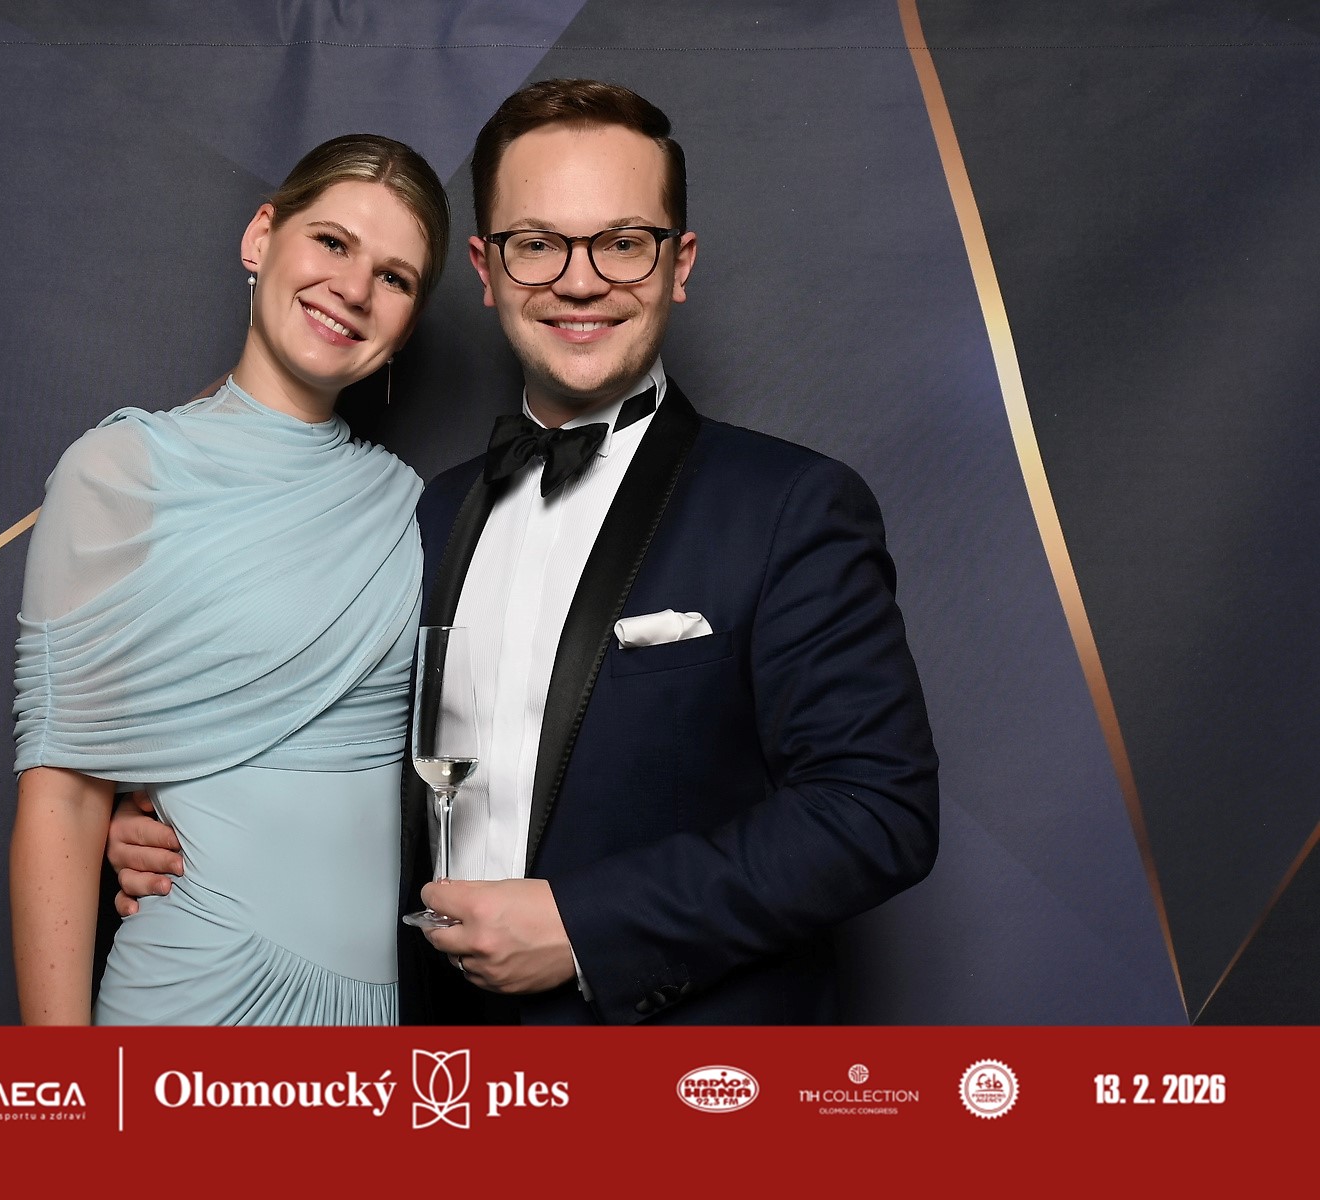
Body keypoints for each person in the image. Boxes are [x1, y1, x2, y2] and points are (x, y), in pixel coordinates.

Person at [110, 80, 939, 1025]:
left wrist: (586, 926)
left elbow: (877, 811)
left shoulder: (790, 506)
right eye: (537, 244)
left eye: (622, 242)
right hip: (434, 1072)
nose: (579, 282)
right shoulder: (425, 513)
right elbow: (336, 756)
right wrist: (175, 831)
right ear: (487, 268)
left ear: (678, 262)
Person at [8, 134, 452, 1025]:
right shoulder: (122, 472)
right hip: (198, 993)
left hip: (389, 1018)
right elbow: (61, 803)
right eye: (331, 242)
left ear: (408, 322)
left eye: (394, 277)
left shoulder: (417, 508)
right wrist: (63, 1091)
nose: (353, 288)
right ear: (261, 238)